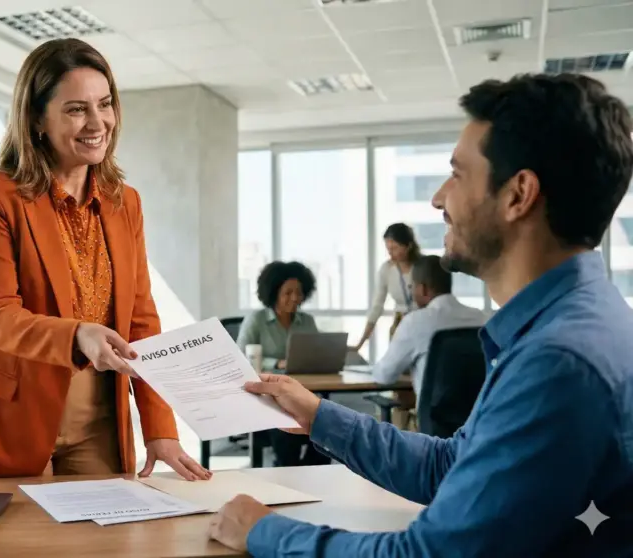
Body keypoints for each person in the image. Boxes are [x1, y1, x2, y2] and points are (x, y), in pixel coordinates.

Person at [208, 73, 633, 556]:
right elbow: (452, 466)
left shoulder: (559, 359)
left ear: (518, 194)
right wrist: (320, 416)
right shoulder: (576, 323)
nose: (438, 198)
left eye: (458, 173)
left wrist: (264, 530)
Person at [0, 38, 209, 482]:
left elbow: (142, 322)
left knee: (105, 545)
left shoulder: (125, 203)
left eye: (104, 104)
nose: (97, 122)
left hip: (99, 418)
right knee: (14, 548)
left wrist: (160, 429)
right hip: (10, 412)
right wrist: (78, 335)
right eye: (76, 109)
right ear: (36, 119)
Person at [236, 261, 327, 467]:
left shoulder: (307, 321)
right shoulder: (256, 320)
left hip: (302, 393)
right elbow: (240, 356)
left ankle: (308, 476)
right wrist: (276, 362)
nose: (295, 297)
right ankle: (289, 477)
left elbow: (318, 353)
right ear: (274, 292)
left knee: (327, 433)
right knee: (287, 438)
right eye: (288, 292)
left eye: (299, 292)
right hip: (269, 399)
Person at [369, 254, 488, 403]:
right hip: (478, 420)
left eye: (412, 287)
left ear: (423, 289)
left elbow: (384, 376)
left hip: (436, 423)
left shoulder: (414, 322)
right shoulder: (481, 319)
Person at [351, 223, 421, 351]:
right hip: (399, 327)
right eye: (388, 249)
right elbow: (377, 307)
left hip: (423, 325)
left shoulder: (424, 266)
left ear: (409, 246)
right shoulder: (387, 269)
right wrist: (360, 344)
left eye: (394, 248)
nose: (390, 253)